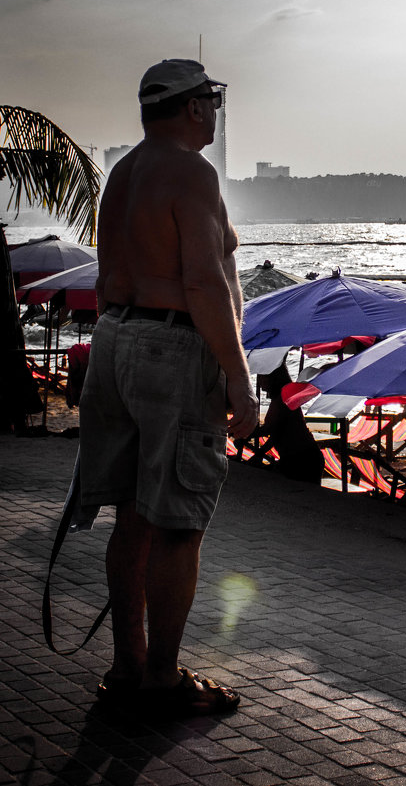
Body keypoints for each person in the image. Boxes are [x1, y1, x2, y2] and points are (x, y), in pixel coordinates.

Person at [78, 59, 258, 716]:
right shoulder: (190, 172)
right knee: (179, 521)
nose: (215, 113)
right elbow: (205, 281)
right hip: (173, 347)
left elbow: (105, 279)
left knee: (133, 516)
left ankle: (128, 667)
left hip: (118, 339)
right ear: (191, 108)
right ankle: (161, 677)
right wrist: (238, 379)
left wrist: (118, 356)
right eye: (211, 101)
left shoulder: (123, 175)